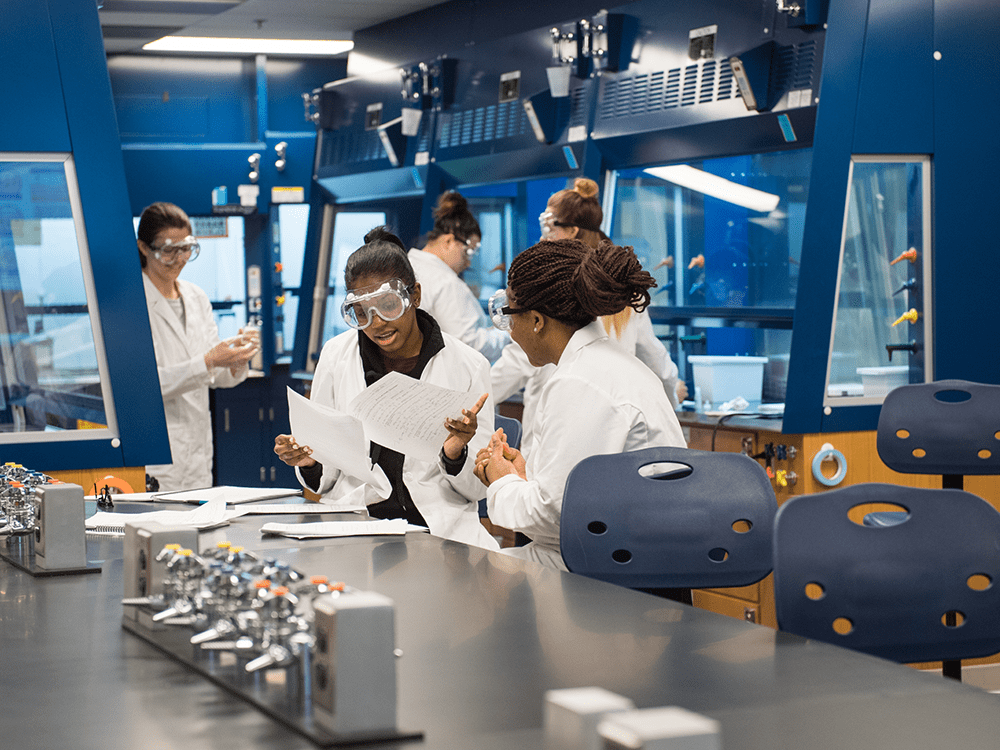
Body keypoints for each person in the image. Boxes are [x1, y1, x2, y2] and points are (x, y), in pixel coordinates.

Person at [273, 226, 499, 550]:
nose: (376, 323)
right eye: (362, 313)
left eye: (388, 305)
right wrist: (308, 461)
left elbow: (476, 491)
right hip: (356, 523)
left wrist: (455, 452)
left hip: (435, 529)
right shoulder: (337, 356)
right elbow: (326, 480)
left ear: (415, 296)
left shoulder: (468, 365)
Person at [475, 238, 687, 570]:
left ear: (536, 320)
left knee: (470, 577)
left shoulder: (580, 381)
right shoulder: (609, 364)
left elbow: (555, 519)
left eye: (510, 316)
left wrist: (501, 480)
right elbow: (575, 498)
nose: (511, 332)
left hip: (616, 576)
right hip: (623, 557)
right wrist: (525, 478)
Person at [491, 177, 686, 456]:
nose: (543, 236)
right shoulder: (614, 289)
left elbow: (517, 360)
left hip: (565, 432)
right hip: (609, 441)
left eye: (549, 226)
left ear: (571, 231)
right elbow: (652, 355)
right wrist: (671, 388)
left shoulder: (555, 293)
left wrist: (470, 401)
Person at [137, 202, 259, 491]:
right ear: (144, 248)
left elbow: (216, 377)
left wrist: (237, 357)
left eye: (186, 248)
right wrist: (208, 361)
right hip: (158, 453)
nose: (179, 258)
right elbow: (145, 387)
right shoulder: (134, 303)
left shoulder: (196, 296)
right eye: (169, 250)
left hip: (198, 453)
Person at [408, 191, 508, 363]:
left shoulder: (408, 266)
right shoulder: (445, 282)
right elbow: (470, 346)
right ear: (448, 242)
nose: (468, 263)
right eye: (468, 252)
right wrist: (508, 334)